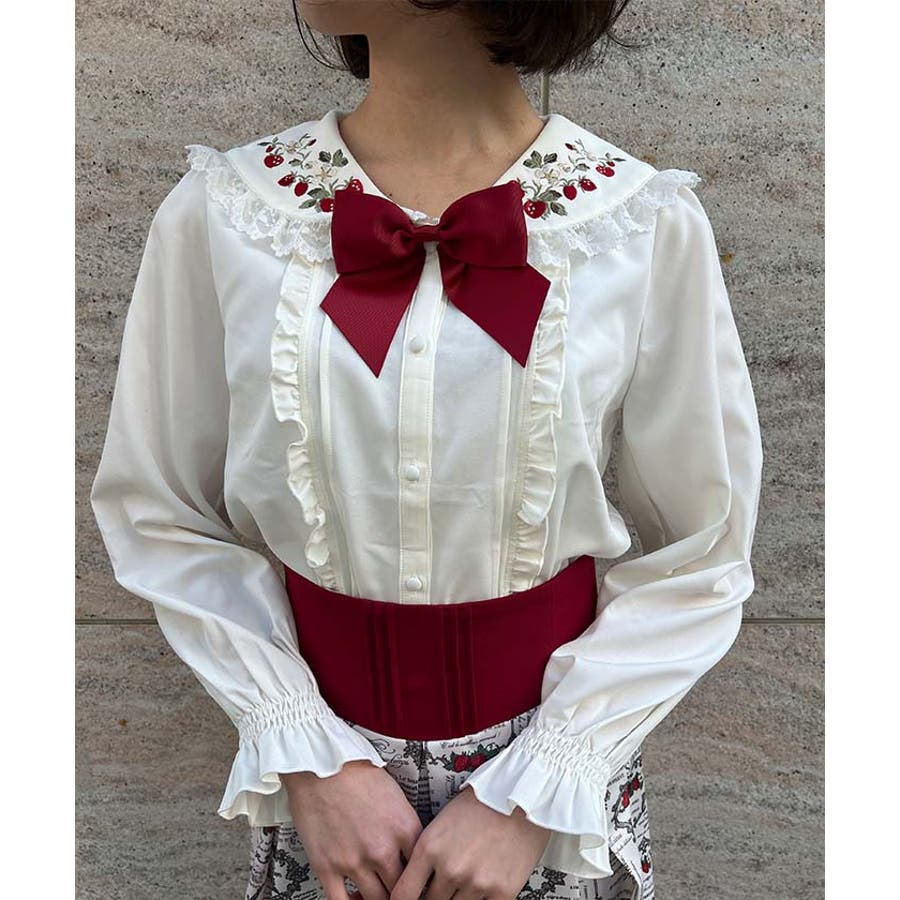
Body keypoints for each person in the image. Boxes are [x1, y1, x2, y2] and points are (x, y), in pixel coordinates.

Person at [89, 1, 764, 899]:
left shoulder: (636, 224)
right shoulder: (230, 214)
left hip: (550, 804)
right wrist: (307, 753)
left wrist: (536, 790)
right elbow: (158, 509)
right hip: (324, 801)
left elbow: (703, 552)